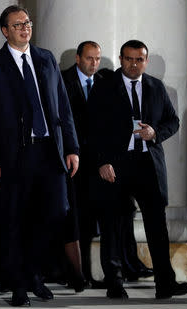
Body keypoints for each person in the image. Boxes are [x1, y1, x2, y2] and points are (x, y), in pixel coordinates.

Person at [0, 5, 79, 306]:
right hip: (13, 155)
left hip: (50, 150)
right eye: (17, 24)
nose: (25, 28)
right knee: (15, 220)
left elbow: (63, 107)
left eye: (27, 23)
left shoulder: (46, 58)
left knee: (56, 212)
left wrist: (71, 147)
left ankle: (33, 272)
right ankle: (19, 285)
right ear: (5, 31)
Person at [87, 39, 187, 299]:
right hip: (116, 166)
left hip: (149, 166)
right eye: (129, 59)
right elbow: (92, 127)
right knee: (113, 225)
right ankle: (115, 283)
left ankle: (165, 283)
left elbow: (173, 121)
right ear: (121, 59)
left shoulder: (156, 87)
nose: (134, 64)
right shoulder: (105, 86)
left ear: (146, 61)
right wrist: (102, 161)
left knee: (157, 226)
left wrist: (155, 132)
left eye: (139, 59)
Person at [61, 41, 152, 291]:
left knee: (114, 214)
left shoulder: (105, 80)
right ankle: (77, 274)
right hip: (75, 160)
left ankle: (125, 267)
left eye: (98, 58)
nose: (94, 63)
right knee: (78, 218)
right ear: (78, 58)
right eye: (89, 58)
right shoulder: (62, 80)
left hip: (105, 161)